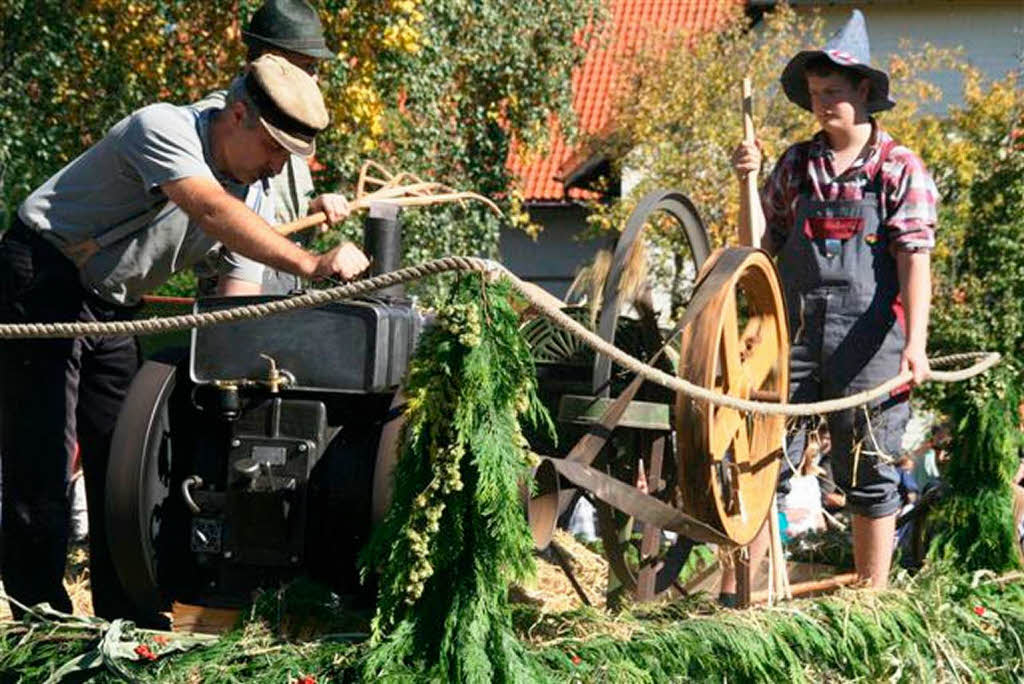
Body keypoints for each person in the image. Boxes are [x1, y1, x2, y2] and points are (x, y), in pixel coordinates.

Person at [0, 54, 367, 622]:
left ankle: (125, 616)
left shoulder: (256, 196)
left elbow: (235, 303)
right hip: (41, 276)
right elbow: (209, 209)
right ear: (238, 114)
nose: (275, 168)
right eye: (272, 149)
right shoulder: (163, 128)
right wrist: (311, 262)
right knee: (44, 458)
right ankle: (38, 614)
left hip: (115, 305)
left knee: (129, 463)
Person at [731, 10, 937, 589]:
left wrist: (915, 347)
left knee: (869, 468)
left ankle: (872, 596)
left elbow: (914, 261)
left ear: (865, 91)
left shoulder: (899, 168)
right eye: (816, 94)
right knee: (759, 456)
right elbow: (757, 248)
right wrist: (747, 179)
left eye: (835, 94)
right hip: (793, 335)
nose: (823, 105)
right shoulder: (798, 163)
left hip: (870, 339)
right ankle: (754, 594)